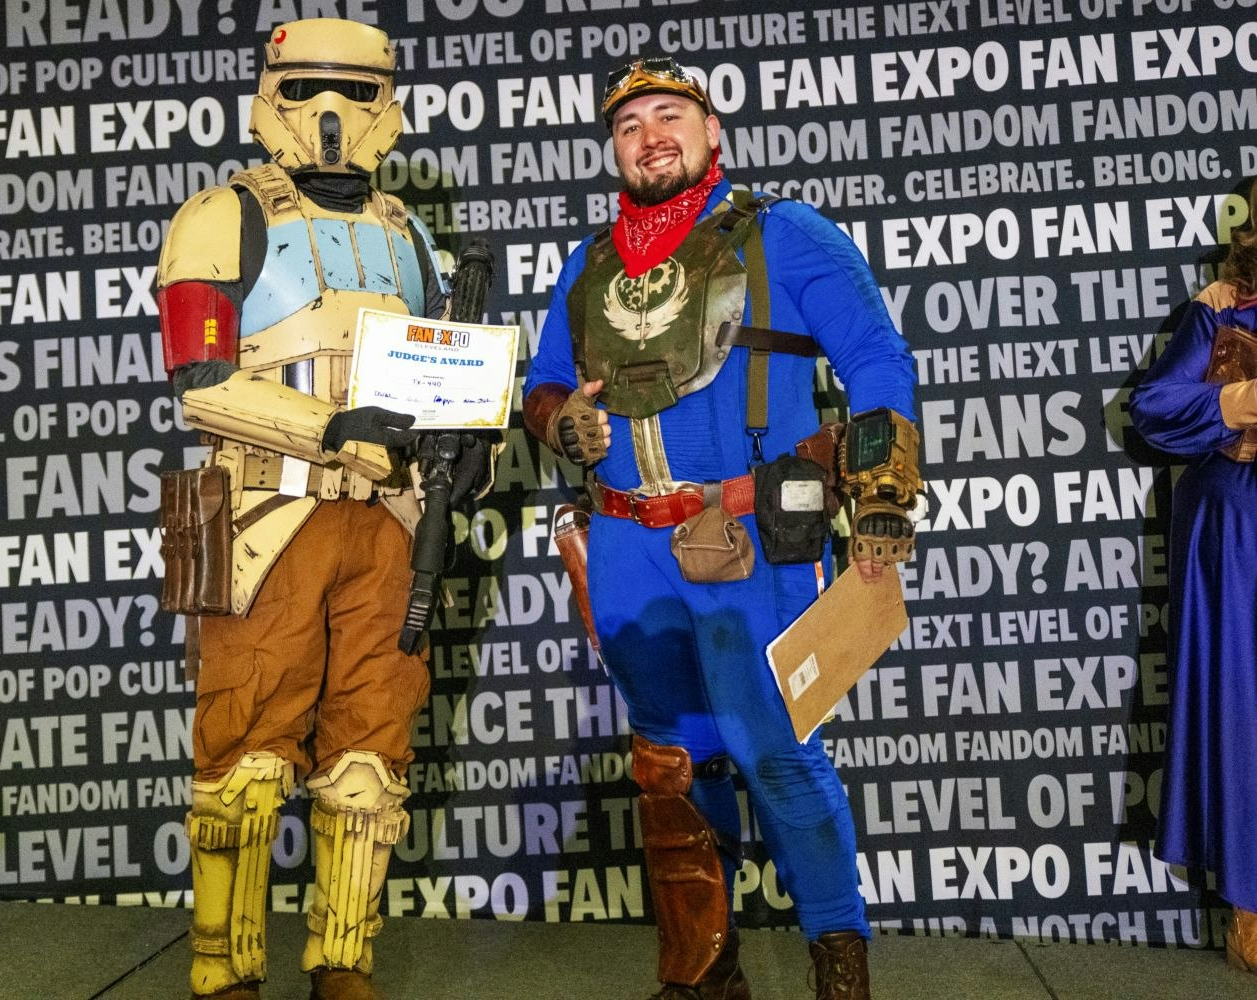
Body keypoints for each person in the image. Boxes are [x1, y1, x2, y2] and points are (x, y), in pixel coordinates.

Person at [524, 59, 918, 1000]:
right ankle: (706, 973)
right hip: (625, 547)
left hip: (746, 535)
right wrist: (554, 420)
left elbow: (877, 359)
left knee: (774, 751)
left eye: (672, 115)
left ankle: (840, 970)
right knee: (672, 762)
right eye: (629, 125)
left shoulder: (785, 234)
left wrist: (882, 492)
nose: (650, 135)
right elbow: (540, 381)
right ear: (612, 148)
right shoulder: (588, 266)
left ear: (713, 133)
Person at [154, 19, 491, 1000]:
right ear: (270, 95)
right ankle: (224, 969)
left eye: (351, 89)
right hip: (264, 514)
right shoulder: (221, 217)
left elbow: (454, 380)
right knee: (244, 753)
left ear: (389, 100)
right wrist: (335, 423)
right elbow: (203, 380)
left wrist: (474, 451)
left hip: (389, 524)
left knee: (371, 754)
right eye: (304, 89)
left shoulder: (410, 235)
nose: (330, 114)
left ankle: (344, 959)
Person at [1128, 179, 1257, 975]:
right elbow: (1153, 408)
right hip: (1238, 530)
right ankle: (1252, 901)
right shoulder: (1223, 308)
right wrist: (1236, 401)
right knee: (1246, 708)